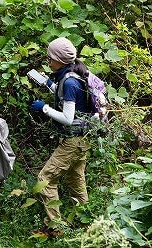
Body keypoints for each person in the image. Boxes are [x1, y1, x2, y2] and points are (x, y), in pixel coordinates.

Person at [30, 37, 92, 236]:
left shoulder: (70, 82)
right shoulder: (74, 74)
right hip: (83, 139)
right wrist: (49, 84)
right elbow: (68, 97)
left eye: (50, 58)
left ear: (60, 60)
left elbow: (67, 118)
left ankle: (55, 227)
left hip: (72, 141)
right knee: (76, 181)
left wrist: (45, 108)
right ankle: (85, 224)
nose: (48, 62)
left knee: (45, 180)